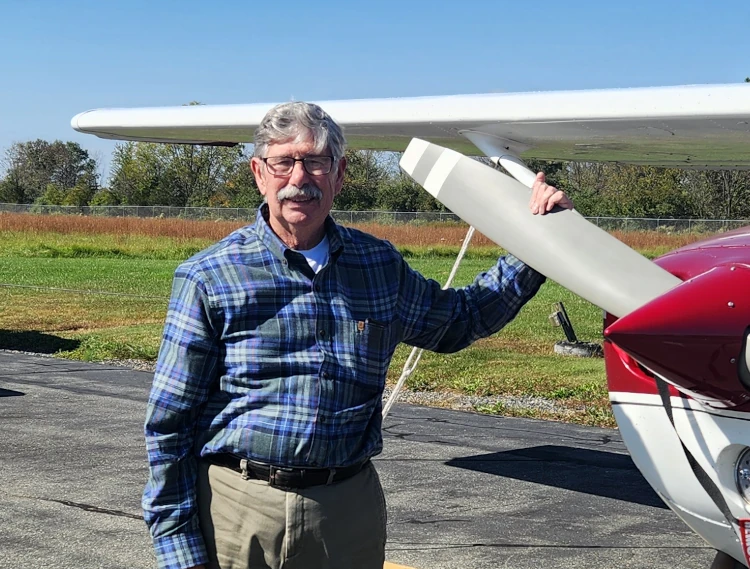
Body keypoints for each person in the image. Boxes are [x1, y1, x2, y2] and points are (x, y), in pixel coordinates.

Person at [142, 101, 574, 569]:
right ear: (259, 173)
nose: (299, 178)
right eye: (283, 161)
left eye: (316, 162)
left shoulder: (378, 266)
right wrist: (179, 549)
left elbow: (460, 320)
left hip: (346, 511)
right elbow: (170, 424)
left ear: (339, 172)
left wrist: (535, 247)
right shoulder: (210, 276)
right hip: (238, 508)